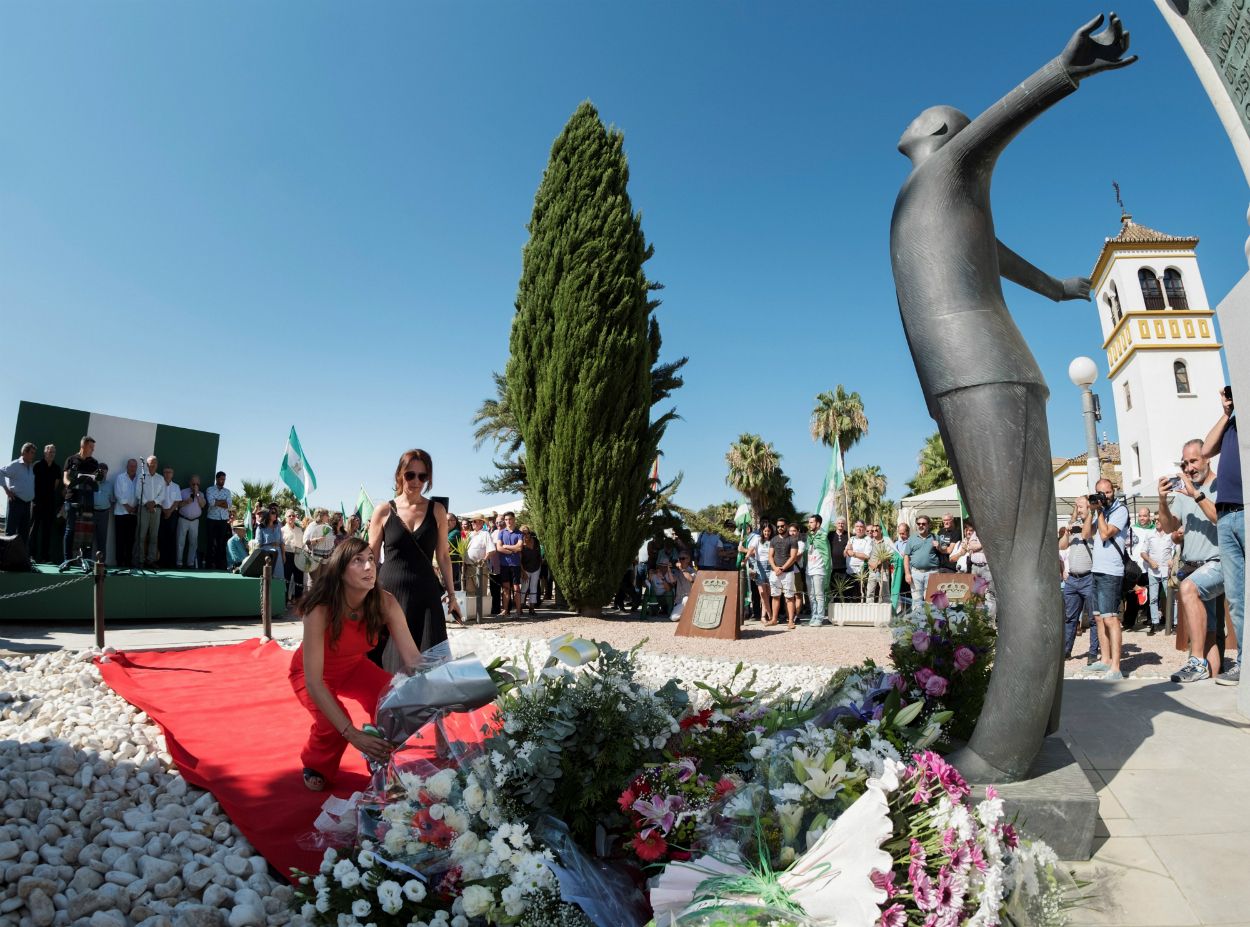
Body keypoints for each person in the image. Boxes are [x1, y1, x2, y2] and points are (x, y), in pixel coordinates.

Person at [289, 538, 421, 791]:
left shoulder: (386, 602)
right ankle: (316, 764)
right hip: (311, 673)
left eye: (371, 559)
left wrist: (445, 688)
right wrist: (351, 733)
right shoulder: (319, 609)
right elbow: (314, 681)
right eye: (358, 561)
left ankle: (382, 757)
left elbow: (414, 660)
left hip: (353, 667)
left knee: (392, 699)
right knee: (332, 724)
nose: (369, 567)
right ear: (339, 571)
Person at [366, 448, 463, 666]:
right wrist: (364, 593)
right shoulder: (383, 510)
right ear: (400, 474)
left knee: (429, 656)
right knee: (387, 656)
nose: (416, 481)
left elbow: (444, 556)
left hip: (426, 593)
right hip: (390, 593)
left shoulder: (437, 510)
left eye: (422, 476)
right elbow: (370, 556)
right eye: (410, 474)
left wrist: (452, 595)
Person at [1158, 440, 1223, 683]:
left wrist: (1195, 494)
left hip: (1218, 562)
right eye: (1184, 463)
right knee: (1208, 632)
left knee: (1188, 589)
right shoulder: (1183, 492)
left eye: (1193, 461)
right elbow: (1168, 527)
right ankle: (1211, 680)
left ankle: (1195, 661)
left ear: (1207, 459)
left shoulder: (1219, 485)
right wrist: (1163, 501)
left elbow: (1218, 516)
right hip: (1192, 566)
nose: (1189, 468)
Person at [1202, 386, 1243, 685]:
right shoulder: (1230, 422)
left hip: (1245, 508)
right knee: (1238, 599)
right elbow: (1205, 450)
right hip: (1227, 515)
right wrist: (1226, 411)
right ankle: (1245, 661)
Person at [1089, 478, 1130, 680]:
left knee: (1111, 618)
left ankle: (1116, 667)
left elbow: (1105, 534)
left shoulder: (1120, 511)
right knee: (1098, 617)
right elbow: (1089, 533)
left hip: (1111, 572)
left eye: (1106, 492)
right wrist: (1090, 511)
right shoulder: (1101, 512)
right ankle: (1104, 660)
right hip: (1096, 570)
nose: (1103, 495)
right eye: (1099, 492)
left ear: (1113, 491)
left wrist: (1099, 512)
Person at [1059, 497, 1098, 662]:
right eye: (1077, 506)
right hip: (1072, 579)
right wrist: (1067, 533)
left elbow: (1087, 534)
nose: (1078, 509)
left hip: (1089, 577)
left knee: (1094, 618)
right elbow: (1061, 546)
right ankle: (1066, 651)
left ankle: (1093, 653)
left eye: (1080, 506)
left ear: (1089, 507)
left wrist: (1086, 516)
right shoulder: (1072, 524)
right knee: (1070, 618)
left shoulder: (1095, 522)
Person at [62, 437, 100, 561]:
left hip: (88, 500)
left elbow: (96, 480)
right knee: (70, 529)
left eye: (93, 448)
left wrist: (99, 478)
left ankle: (85, 560)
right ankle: (67, 560)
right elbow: (65, 478)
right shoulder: (71, 459)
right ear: (83, 446)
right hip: (72, 498)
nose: (92, 450)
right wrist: (70, 485)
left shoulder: (94, 462)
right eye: (91, 448)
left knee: (86, 531)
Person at [1141, 515, 1175, 637]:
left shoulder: (1171, 535)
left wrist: (1173, 560)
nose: (1157, 522)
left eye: (1159, 520)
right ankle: (1155, 622)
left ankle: (1173, 622)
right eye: (1155, 520)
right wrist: (1150, 561)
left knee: (1171, 597)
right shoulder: (1150, 534)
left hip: (1167, 570)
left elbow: (1176, 550)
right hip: (1153, 571)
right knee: (1153, 598)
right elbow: (1143, 552)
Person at [30, 444, 62, 562]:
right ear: (44, 453)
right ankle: (31, 555)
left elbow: (56, 485)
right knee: (34, 529)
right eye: (49, 452)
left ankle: (44, 557)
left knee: (47, 530)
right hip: (36, 501)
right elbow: (31, 481)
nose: (52, 454)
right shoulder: (37, 465)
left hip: (50, 502)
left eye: (53, 452)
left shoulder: (56, 468)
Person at [768, 521, 801, 629]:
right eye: (778, 526)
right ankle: (774, 619)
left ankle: (791, 621)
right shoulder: (773, 539)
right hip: (775, 572)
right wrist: (775, 568)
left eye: (782, 526)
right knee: (775, 596)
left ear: (786, 526)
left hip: (788, 573)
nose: (780, 528)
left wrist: (783, 568)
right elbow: (770, 556)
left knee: (789, 597)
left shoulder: (793, 540)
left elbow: (793, 557)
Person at [1, 443, 37, 542]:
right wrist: (7, 491)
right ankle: (6, 557)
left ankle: (20, 557)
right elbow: (1, 472)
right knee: (10, 533)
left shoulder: (31, 467)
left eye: (34, 453)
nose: (33, 455)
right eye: (31, 453)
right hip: (16, 502)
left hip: (27, 505)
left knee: (24, 533)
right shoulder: (15, 464)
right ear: (24, 452)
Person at [903, 516, 941, 607]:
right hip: (916, 574)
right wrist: (907, 573)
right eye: (919, 524)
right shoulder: (912, 539)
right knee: (917, 602)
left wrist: (939, 547)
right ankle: (917, 621)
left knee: (932, 601)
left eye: (923, 524)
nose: (921, 526)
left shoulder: (935, 537)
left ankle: (931, 621)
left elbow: (944, 551)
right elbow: (906, 557)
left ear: (928, 525)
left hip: (932, 573)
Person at [136, 456, 164, 568]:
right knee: (141, 535)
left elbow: (162, 494)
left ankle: (151, 560)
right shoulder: (141, 476)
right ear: (147, 465)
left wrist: (154, 503)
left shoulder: (160, 478)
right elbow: (138, 492)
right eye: (151, 463)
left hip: (156, 509)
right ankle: (140, 560)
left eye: (155, 463)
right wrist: (147, 503)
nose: (153, 465)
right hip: (143, 508)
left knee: (154, 536)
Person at [495, 512, 524, 618]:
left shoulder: (519, 533)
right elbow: (499, 547)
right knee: (506, 588)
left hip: (515, 564)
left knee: (517, 588)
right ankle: (505, 610)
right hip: (504, 564)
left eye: (510, 519)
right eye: (506, 520)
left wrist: (506, 546)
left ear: (514, 519)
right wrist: (512, 550)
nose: (508, 521)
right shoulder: (501, 532)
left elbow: (520, 547)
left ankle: (518, 611)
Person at [112, 459, 140, 569]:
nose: (133, 468)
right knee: (120, 539)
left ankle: (128, 562)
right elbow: (118, 494)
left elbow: (139, 494)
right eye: (131, 466)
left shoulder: (139, 479)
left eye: (134, 466)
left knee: (130, 540)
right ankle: (119, 563)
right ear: (127, 466)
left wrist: (136, 507)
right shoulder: (120, 478)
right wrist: (128, 507)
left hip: (133, 514)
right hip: (120, 513)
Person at [805, 515, 831, 627]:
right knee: (811, 595)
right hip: (809, 569)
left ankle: (820, 617)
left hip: (819, 569)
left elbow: (826, 553)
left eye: (812, 522)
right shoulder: (809, 536)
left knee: (819, 595)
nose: (809, 524)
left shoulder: (823, 536)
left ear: (818, 524)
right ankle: (814, 615)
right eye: (809, 522)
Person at [747, 524, 776, 625]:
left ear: (771, 531)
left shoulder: (773, 540)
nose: (767, 533)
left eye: (768, 531)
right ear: (762, 531)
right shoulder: (758, 539)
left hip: (770, 567)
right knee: (762, 593)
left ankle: (764, 617)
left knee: (768, 594)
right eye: (765, 531)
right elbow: (751, 549)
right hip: (759, 567)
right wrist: (746, 557)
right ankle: (771, 616)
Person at [204, 472, 232, 570]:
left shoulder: (227, 491)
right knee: (210, 542)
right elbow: (211, 503)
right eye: (221, 479)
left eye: (224, 479)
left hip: (223, 520)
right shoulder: (210, 489)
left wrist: (217, 501)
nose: (222, 481)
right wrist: (222, 502)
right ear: (216, 479)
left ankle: (219, 564)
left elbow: (228, 505)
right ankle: (209, 565)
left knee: (221, 543)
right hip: (211, 519)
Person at [156, 467, 181, 568]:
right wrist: (164, 510)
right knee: (161, 537)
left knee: (171, 538)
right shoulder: (159, 485)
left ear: (172, 474)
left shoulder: (176, 486)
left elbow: (177, 501)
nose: (167, 474)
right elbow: (157, 499)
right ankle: (161, 561)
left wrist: (169, 511)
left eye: (169, 472)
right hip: (161, 513)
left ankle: (170, 563)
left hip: (173, 514)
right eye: (165, 472)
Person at [844, 520, 874, 600]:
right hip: (849, 571)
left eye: (861, 527)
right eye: (857, 526)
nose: (859, 529)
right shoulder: (851, 539)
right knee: (849, 597)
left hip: (861, 572)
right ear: (854, 528)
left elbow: (867, 556)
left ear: (864, 528)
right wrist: (846, 550)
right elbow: (845, 554)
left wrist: (853, 553)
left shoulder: (868, 539)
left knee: (860, 596)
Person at [91, 464, 114, 563]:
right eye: (100, 471)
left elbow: (112, 500)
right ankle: (87, 562)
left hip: (104, 514)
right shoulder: (91, 483)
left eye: (104, 472)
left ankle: (101, 563)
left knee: (102, 539)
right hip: (91, 513)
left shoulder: (109, 485)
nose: (103, 474)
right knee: (88, 540)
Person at [255, 509, 285, 581]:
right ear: (267, 515)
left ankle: (278, 592)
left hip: (278, 554)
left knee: (279, 576)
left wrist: (283, 555)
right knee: (267, 576)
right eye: (273, 513)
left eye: (276, 513)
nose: (275, 514)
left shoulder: (278, 526)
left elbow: (281, 542)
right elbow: (258, 544)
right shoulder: (260, 527)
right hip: (266, 555)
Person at [282, 509, 306, 598]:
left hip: (299, 555)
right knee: (286, 580)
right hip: (287, 556)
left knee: (299, 580)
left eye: (293, 515)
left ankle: (298, 603)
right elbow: (281, 545)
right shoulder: (282, 530)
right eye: (289, 516)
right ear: (285, 518)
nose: (292, 517)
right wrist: (283, 556)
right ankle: (284, 602)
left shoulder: (299, 530)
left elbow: (303, 544)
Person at [519, 527, 542, 615]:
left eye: (528, 533)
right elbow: (519, 560)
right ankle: (520, 607)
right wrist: (523, 572)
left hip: (536, 567)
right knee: (524, 588)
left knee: (534, 587)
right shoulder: (520, 544)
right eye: (524, 534)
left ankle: (532, 608)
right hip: (525, 569)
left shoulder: (535, 541)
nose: (526, 535)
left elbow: (539, 554)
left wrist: (539, 564)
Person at [827, 517, 850, 602]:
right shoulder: (830, 534)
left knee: (846, 591)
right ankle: (837, 608)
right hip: (833, 567)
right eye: (839, 523)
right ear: (836, 524)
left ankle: (847, 609)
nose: (841, 525)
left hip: (845, 567)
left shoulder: (848, 535)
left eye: (842, 523)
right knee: (834, 590)